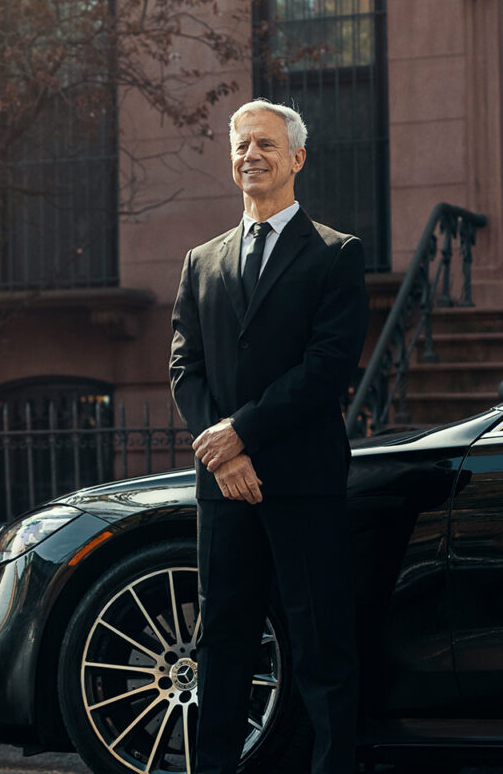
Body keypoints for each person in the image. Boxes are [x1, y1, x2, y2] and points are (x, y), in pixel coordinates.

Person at [169, 99, 369, 774]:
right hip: (224, 489)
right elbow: (184, 368)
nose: (251, 155)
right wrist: (220, 453)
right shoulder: (201, 261)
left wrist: (239, 432)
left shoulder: (337, 254)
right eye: (241, 145)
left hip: (303, 482)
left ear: (297, 158)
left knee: (321, 648)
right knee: (221, 646)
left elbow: (327, 367)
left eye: (266, 145)